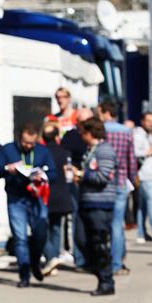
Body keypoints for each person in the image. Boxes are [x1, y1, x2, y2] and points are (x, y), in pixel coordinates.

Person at [0, 123, 56, 287]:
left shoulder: (42, 151)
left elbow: (54, 173)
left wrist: (42, 174)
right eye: (25, 143)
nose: (28, 146)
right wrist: (8, 168)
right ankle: (24, 274)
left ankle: (34, 262)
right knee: (20, 238)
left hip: (37, 198)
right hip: (16, 199)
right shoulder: (8, 149)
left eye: (32, 143)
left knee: (41, 234)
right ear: (19, 138)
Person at [73, 117, 117, 296]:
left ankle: (106, 281)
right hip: (87, 201)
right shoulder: (91, 150)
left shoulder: (105, 150)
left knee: (99, 243)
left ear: (90, 133)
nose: (81, 137)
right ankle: (101, 274)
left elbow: (103, 176)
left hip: (100, 203)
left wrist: (82, 174)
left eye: (83, 133)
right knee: (82, 240)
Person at [96, 99, 137, 275]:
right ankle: (116, 263)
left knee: (101, 222)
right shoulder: (126, 131)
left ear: (106, 112)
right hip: (120, 181)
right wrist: (132, 177)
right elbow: (131, 158)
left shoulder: (100, 131)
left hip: (102, 180)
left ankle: (101, 259)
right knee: (116, 224)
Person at [40, 123, 74, 276]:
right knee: (56, 229)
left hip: (45, 195)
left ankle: (51, 258)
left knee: (43, 229)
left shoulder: (40, 152)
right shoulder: (65, 152)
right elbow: (69, 175)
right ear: (56, 136)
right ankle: (52, 259)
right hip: (61, 195)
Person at [62, 107, 93, 267]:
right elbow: (66, 159)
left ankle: (93, 257)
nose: (86, 125)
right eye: (82, 122)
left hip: (95, 184)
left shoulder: (97, 135)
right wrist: (73, 172)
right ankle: (81, 258)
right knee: (77, 219)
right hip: (77, 182)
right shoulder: (71, 135)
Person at [133, 111, 152, 243]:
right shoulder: (138, 134)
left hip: (147, 173)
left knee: (143, 206)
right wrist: (148, 152)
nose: (151, 123)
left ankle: (141, 232)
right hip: (145, 175)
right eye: (148, 120)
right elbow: (134, 152)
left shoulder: (149, 135)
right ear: (142, 121)